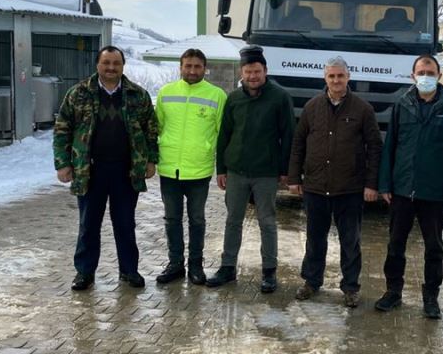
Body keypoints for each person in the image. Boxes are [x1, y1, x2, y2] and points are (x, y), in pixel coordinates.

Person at [53, 45, 158, 291]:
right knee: (89, 224)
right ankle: (84, 272)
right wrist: (63, 164)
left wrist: (151, 160)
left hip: (126, 170)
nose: (111, 68)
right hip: (89, 170)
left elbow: (151, 130)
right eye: (106, 63)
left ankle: (129, 270)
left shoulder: (137, 95)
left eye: (116, 64)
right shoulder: (78, 93)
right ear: (97, 65)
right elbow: (62, 130)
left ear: (123, 66)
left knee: (125, 223)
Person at [375, 54, 443, 319]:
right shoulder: (401, 104)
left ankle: (431, 297)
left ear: (439, 76)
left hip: (434, 191)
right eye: (420, 72)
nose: (425, 76)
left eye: (430, 72)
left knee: (434, 248)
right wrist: (385, 183)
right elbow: (390, 147)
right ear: (413, 76)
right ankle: (393, 292)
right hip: (402, 189)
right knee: (395, 244)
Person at [287, 56, 382, 308]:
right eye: (332, 76)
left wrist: (372, 184)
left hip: (349, 189)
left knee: (350, 241)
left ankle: (350, 287)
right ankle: (311, 282)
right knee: (315, 239)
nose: (336, 80)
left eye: (340, 76)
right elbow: (298, 145)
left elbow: (374, 148)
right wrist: (295, 178)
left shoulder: (363, 109)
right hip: (316, 188)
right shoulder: (312, 107)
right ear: (325, 78)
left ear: (348, 78)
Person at [206, 45, 295, 293]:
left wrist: (286, 170)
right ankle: (227, 267)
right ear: (242, 73)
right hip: (236, 171)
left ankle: (269, 271)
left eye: (257, 71)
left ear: (265, 71)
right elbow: (224, 135)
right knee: (232, 220)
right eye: (248, 72)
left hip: (266, 172)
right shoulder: (234, 99)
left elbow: (289, 135)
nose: (252, 76)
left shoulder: (280, 97)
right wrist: (221, 169)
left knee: (267, 221)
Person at [155, 49, 227, 285]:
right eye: (188, 66)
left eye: (197, 66)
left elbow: (222, 134)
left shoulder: (216, 95)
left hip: (199, 170)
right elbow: (156, 128)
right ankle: (175, 264)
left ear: (204, 68)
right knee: (172, 220)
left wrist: (221, 168)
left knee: (197, 220)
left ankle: (195, 265)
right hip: (169, 169)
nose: (192, 71)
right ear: (180, 67)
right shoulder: (166, 93)